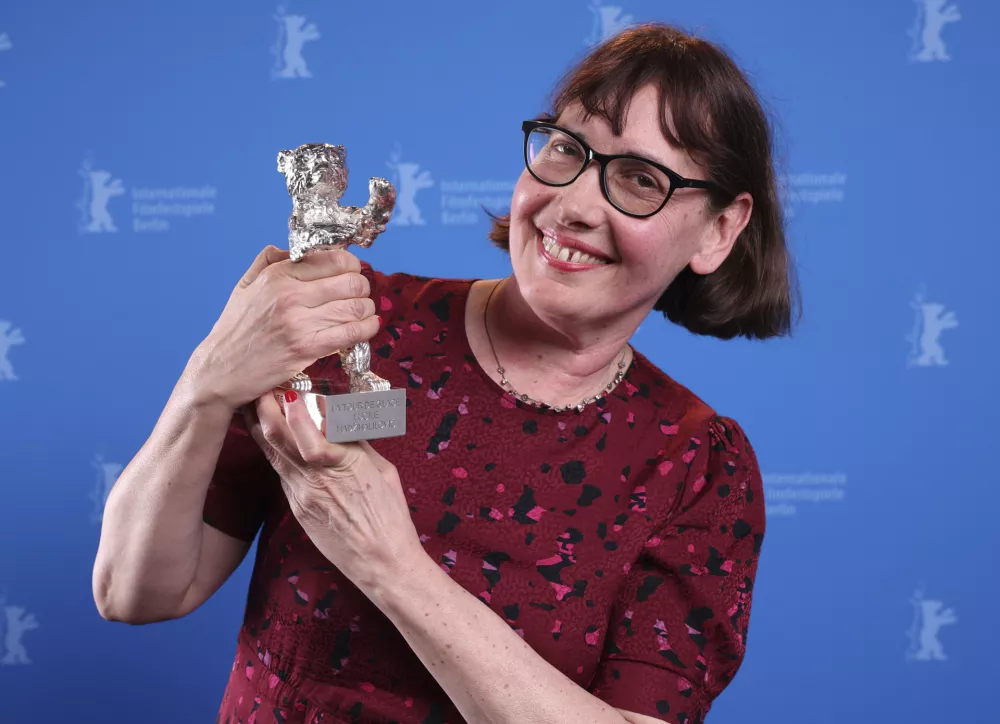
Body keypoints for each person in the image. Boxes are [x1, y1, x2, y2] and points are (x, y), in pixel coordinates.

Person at [92, 22, 798, 724]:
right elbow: (134, 593)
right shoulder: (350, 324)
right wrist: (205, 385)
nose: (575, 205)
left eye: (641, 179)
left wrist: (391, 565)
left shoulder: (696, 469)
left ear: (718, 231)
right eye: (566, 149)